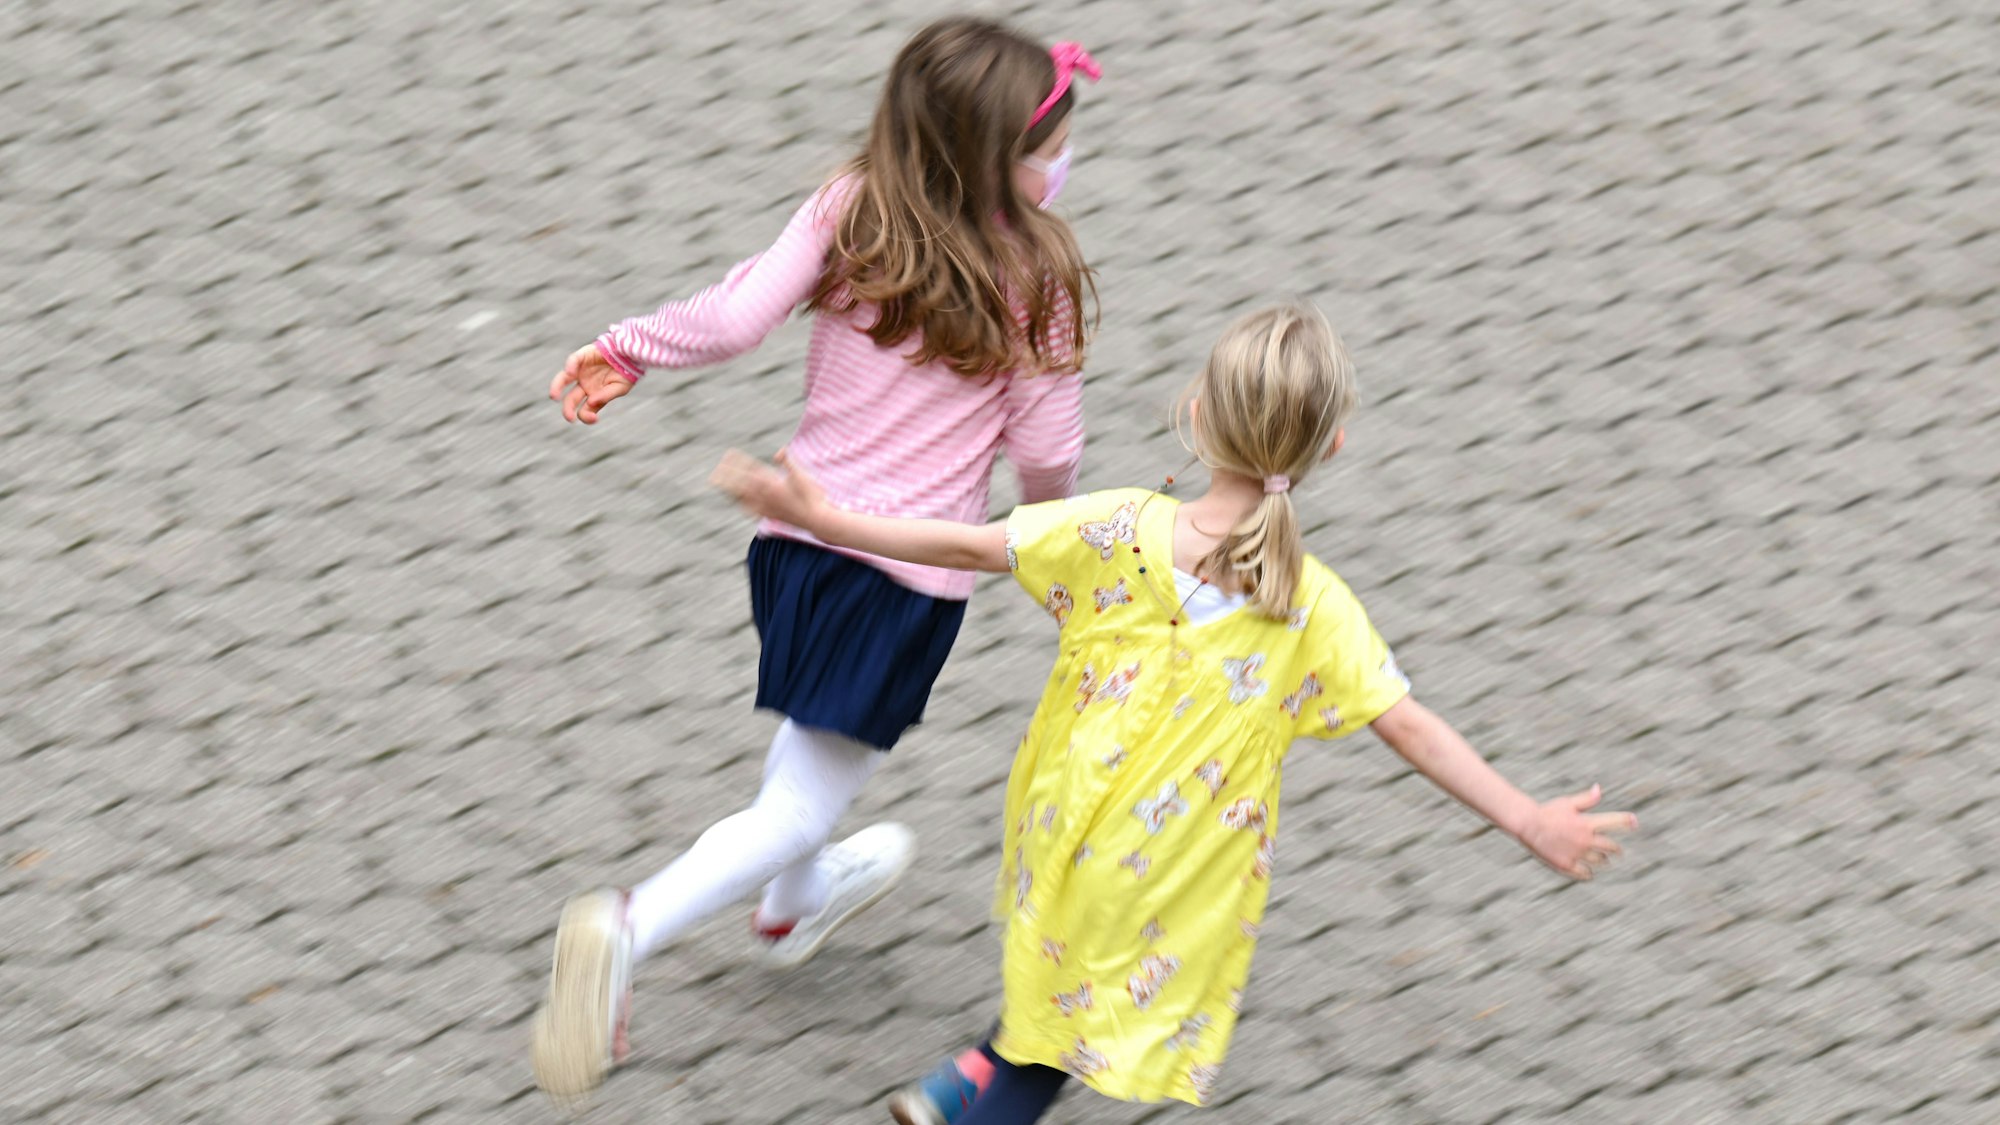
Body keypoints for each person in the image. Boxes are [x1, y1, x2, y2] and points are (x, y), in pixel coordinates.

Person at [712, 302, 1639, 1124]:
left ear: (1198, 416)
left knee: (1064, 968)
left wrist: (823, 516)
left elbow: (965, 540)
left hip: (1062, 819)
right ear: (1330, 449)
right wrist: (1526, 817)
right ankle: (974, 1107)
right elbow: (1410, 725)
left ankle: (964, 1080)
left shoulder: (1117, 527)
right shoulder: (1310, 606)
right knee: (1082, 1032)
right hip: (1176, 867)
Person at [531, 17, 1104, 1104]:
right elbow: (1046, 451)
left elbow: (741, 314)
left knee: (815, 748)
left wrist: (624, 350)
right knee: (802, 798)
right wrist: (1060, 558)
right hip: (899, 576)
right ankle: (625, 931)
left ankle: (790, 910)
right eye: (1048, 146)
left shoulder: (854, 203)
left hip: (788, 544)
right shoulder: (1037, 277)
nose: (1060, 162)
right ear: (996, 159)